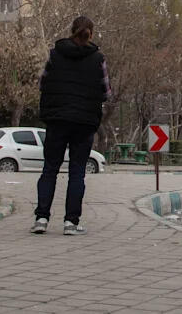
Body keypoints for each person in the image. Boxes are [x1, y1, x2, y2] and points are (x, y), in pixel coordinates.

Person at [32, 15, 110, 236]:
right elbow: (106, 91)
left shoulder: (55, 55)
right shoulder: (98, 59)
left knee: (50, 169)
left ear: (71, 30)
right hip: (84, 123)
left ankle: (41, 219)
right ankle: (71, 222)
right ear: (91, 34)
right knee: (77, 172)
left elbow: (42, 83)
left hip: (57, 119)